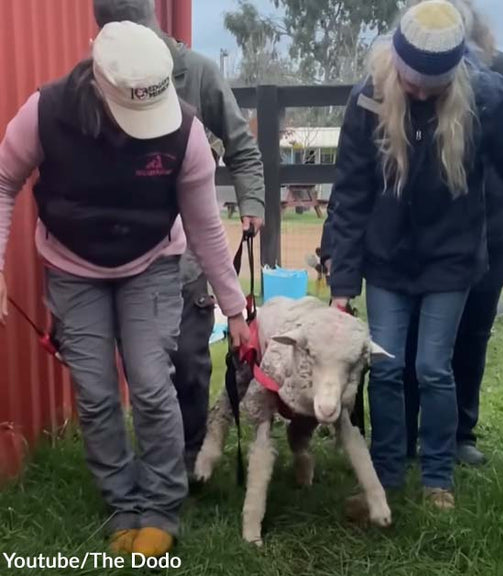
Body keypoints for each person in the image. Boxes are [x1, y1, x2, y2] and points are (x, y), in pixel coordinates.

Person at [0, 22, 250, 557]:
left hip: (150, 262)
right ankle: (121, 504)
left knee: (150, 383)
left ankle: (159, 506)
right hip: (71, 266)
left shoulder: (183, 133)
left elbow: (206, 230)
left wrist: (237, 310)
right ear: (99, 84)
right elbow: (4, 181)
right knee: (94, 393)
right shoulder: (44, 113)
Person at [323, 0, 503, 510]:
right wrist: (343, 287)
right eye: (410, 79)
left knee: (433, 368)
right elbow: (350, 194)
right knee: (389, 368)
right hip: (387, 258)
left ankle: (438, 477)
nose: (417, 92)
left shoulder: (487, 96)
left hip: (452, 256)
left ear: (454, 73)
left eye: (430, 86)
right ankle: (387, 474)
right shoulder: (369, 99)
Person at [92, 0, 266, 481]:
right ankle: (151, 458)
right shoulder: (95, 77)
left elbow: (242, 146)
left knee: (189, 356)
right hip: (129, 240)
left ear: (154, 29)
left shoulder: (199, 74)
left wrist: (252, 204)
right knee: (145, 363)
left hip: (188, 236)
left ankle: (191, 456)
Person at [401, 0, 503, 467]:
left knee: (472, 332)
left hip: (494, 229)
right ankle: (407, 432)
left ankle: (460, 432)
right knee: (418, 337)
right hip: (434, 233)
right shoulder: (415, 80)